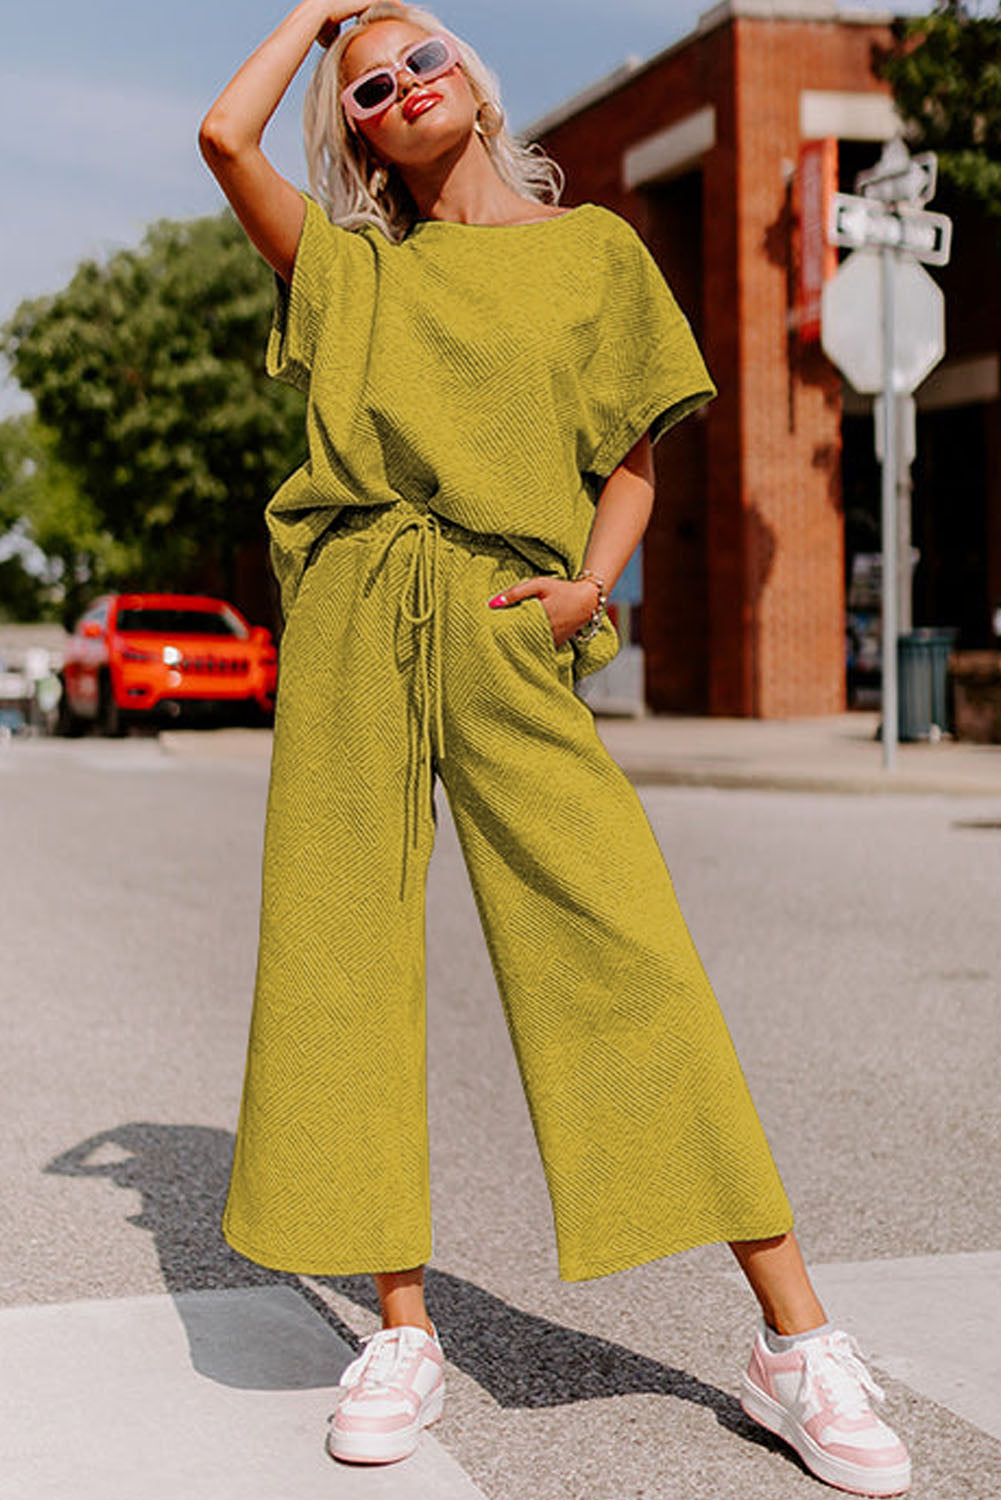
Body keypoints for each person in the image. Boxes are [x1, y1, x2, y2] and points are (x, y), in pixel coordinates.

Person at [198, 4, 911, 1493]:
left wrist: (589, 589)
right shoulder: (355, 270)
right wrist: (316, 16)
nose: (399, 88)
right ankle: (400, 1327)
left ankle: (791, 1338)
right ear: (360, 134)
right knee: (344, 956)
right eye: (370, 89)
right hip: (354, 611)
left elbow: (632, 463)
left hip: (509, 611)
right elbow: (220, 136)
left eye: (419, 60)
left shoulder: (597, 254)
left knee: (622, 943)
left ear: (471, 78)